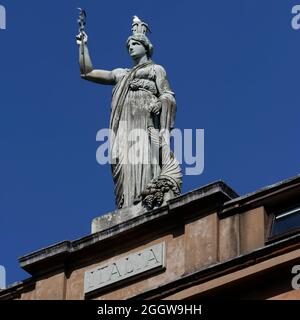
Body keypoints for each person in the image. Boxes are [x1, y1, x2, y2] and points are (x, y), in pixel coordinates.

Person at [77, 16, 182, 210]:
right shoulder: (120, 74)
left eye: (135, 44)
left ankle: (149, 198)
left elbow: (168, 94)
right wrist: (83, 45)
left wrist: (161, 103)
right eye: (129, 45)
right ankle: (127, 204)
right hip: (124, 124)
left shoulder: (156, 69)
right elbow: (87, 72)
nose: (131, 47)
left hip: (146, 121)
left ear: (146, 46)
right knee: (124, 161)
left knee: (145, 159)